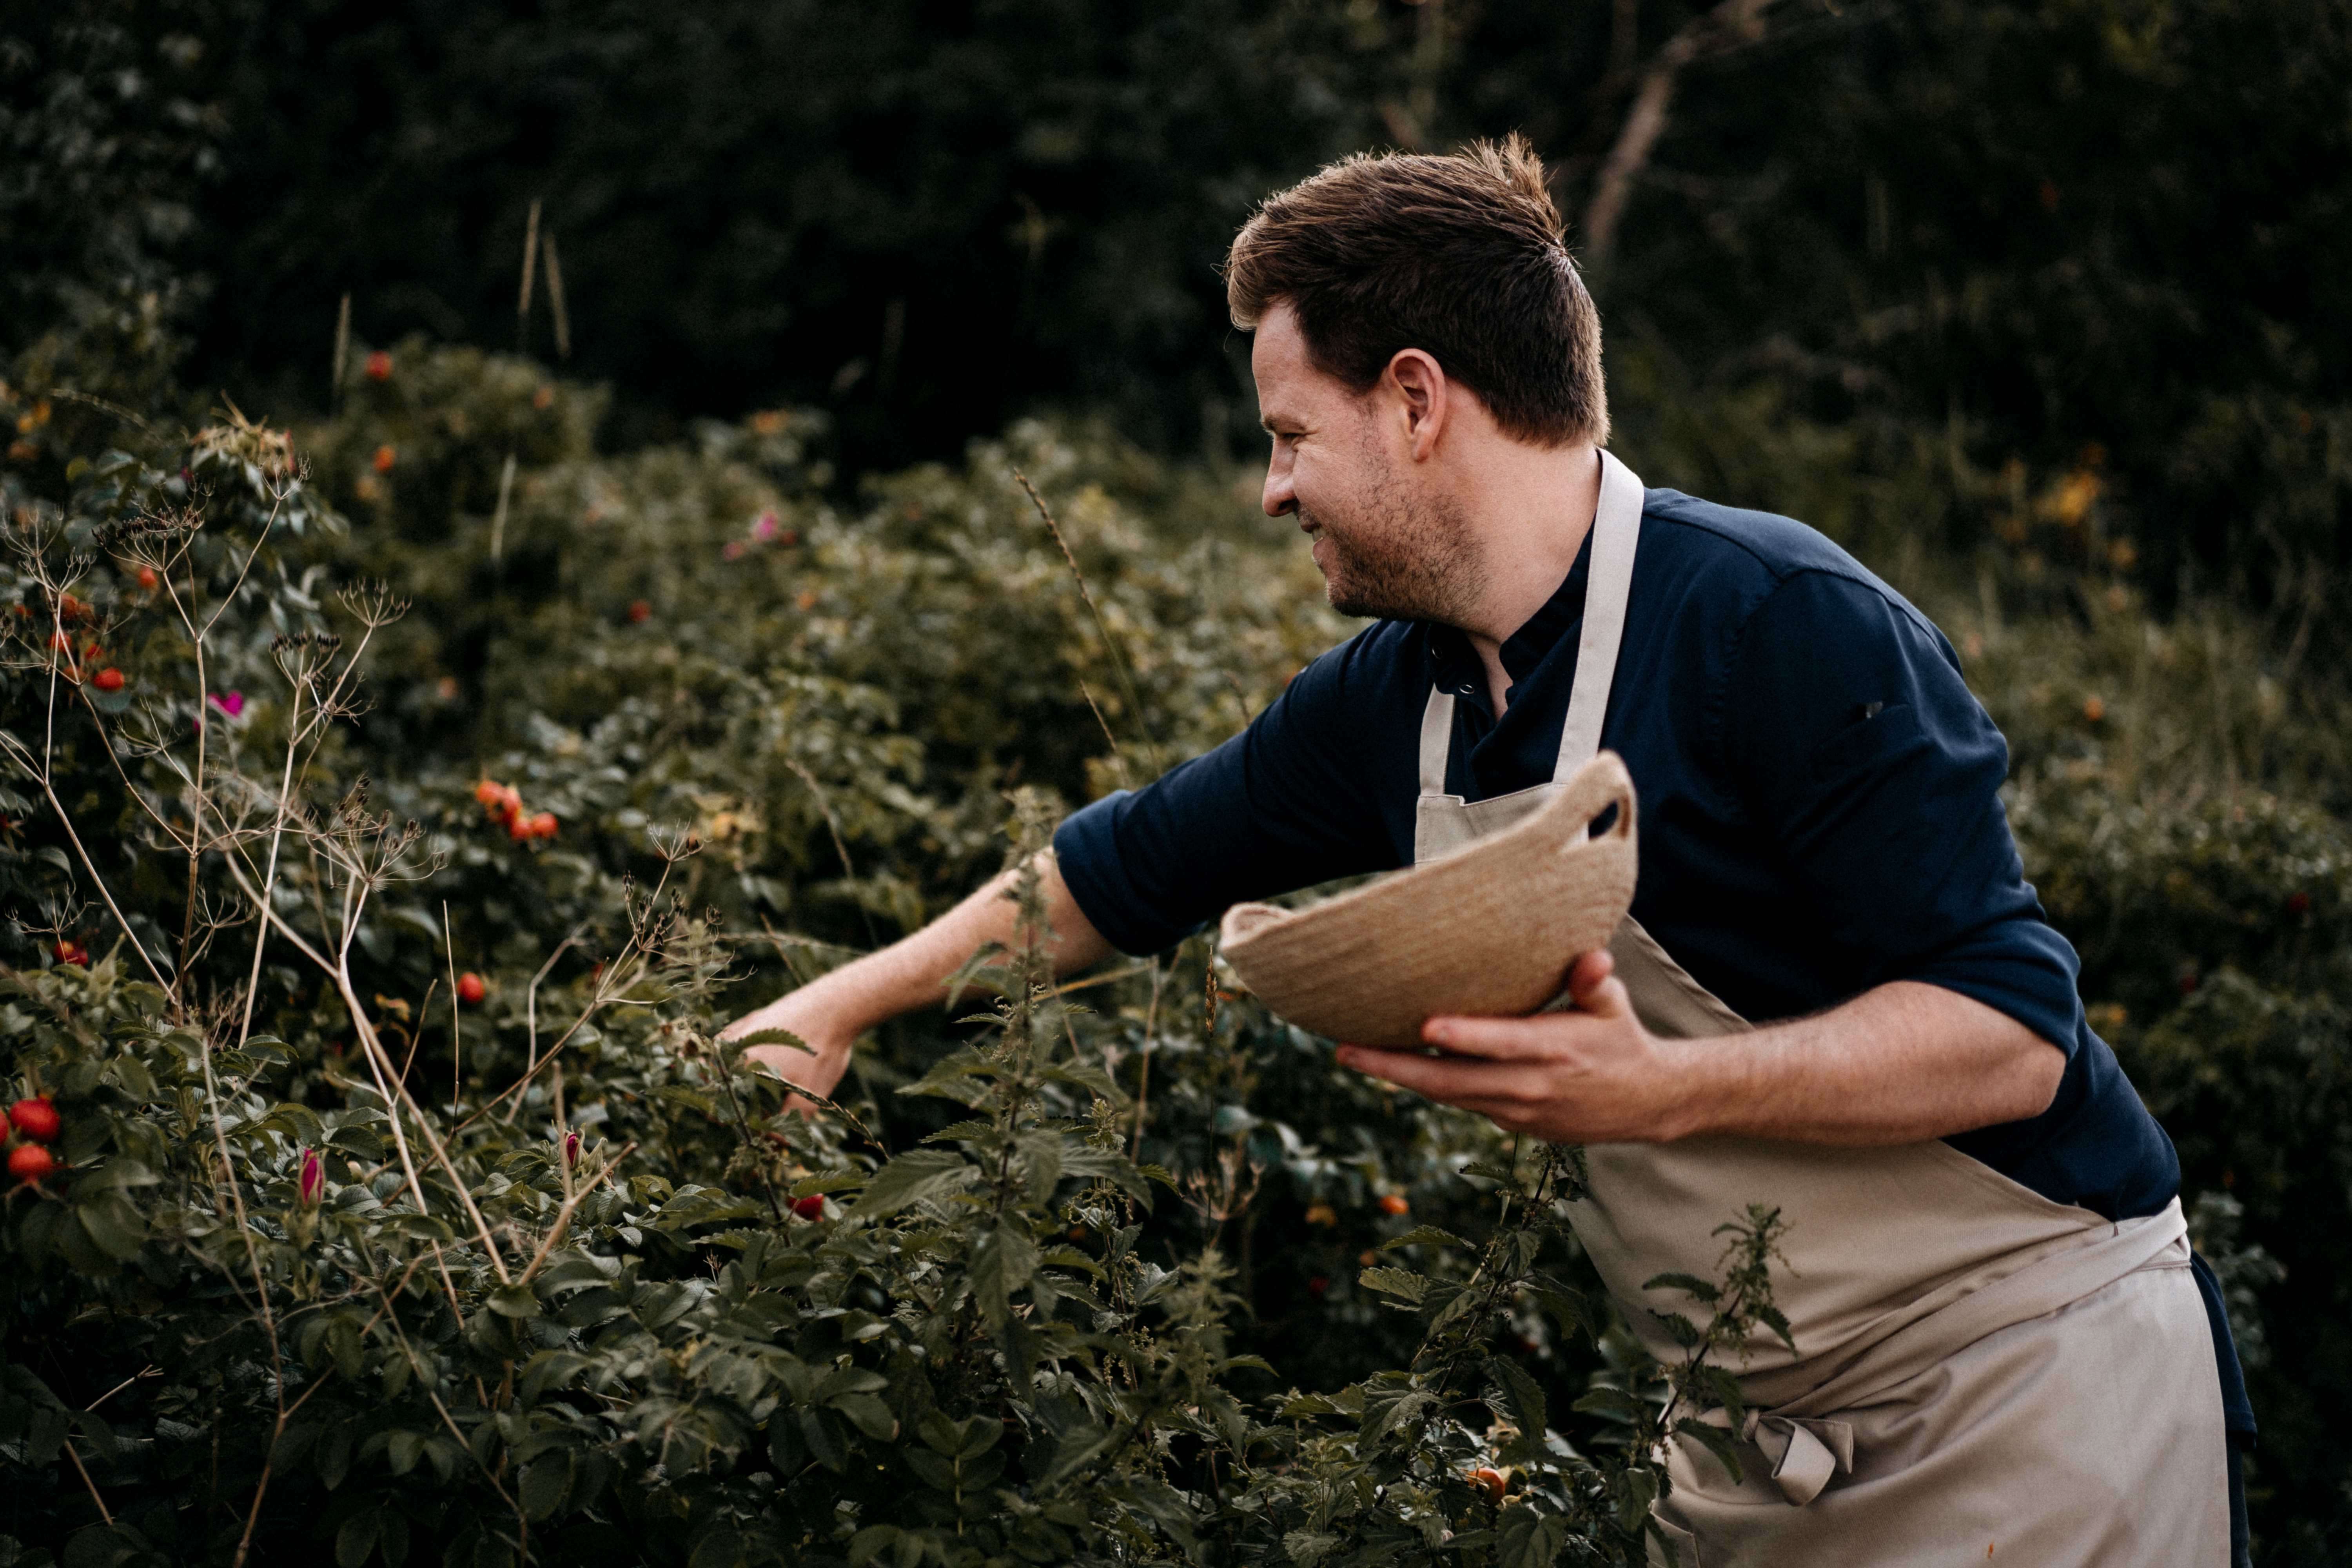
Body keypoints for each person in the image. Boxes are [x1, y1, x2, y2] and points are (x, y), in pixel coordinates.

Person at [724, 136, 2254, 1566]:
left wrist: (1662, 1092)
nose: (1271, 489)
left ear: (1415, 398)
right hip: (1757, 1447)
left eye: (1288, 434)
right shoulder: (1403, 701)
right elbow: (1119, 873)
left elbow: (2012, 1036)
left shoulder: (1777, 622)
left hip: (2037, 1397)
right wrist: (843, 1004)